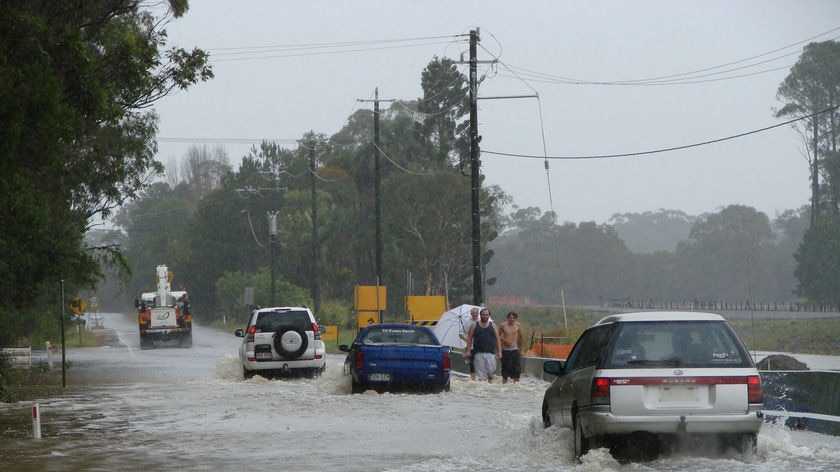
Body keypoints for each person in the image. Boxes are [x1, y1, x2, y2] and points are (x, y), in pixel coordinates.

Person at [465, 308, 501, 382]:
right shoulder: (474, 325)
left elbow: (498, 339)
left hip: (490, 353)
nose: (485, 316)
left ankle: (489, 387)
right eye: (483, 315)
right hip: (478, 353)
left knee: (491, 374)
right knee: (481, 376)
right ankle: (482, 391)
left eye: (486, 315)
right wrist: (468, 351)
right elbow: (469, 339)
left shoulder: (493, 326)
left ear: (489, 316)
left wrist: (499, 351)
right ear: (480, 315)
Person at [498, 311, 524, 383]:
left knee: (517, 370)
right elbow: (497, 336)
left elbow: (522, 337)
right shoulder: (503, 325)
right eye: (510, 318)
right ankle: (504, 385)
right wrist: (504, 340)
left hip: (515, 350)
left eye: (513, 318)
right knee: (505, 369)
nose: (511, 319)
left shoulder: (518, 325)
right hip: (505, 350)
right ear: (508, 318)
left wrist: (521, 349)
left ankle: (516, 387)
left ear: (515, 319)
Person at [459, 307, 480, 380]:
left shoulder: (482, 321)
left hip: (481, 346)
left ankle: (482, 378)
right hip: (471, 347)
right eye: (473, 313)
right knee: (472, 363)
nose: (474, 314)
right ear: (471, 314)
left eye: (476, 313)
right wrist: (467, 340)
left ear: (478, 313)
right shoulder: (467, 322)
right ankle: (473, 378)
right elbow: (460, 333)